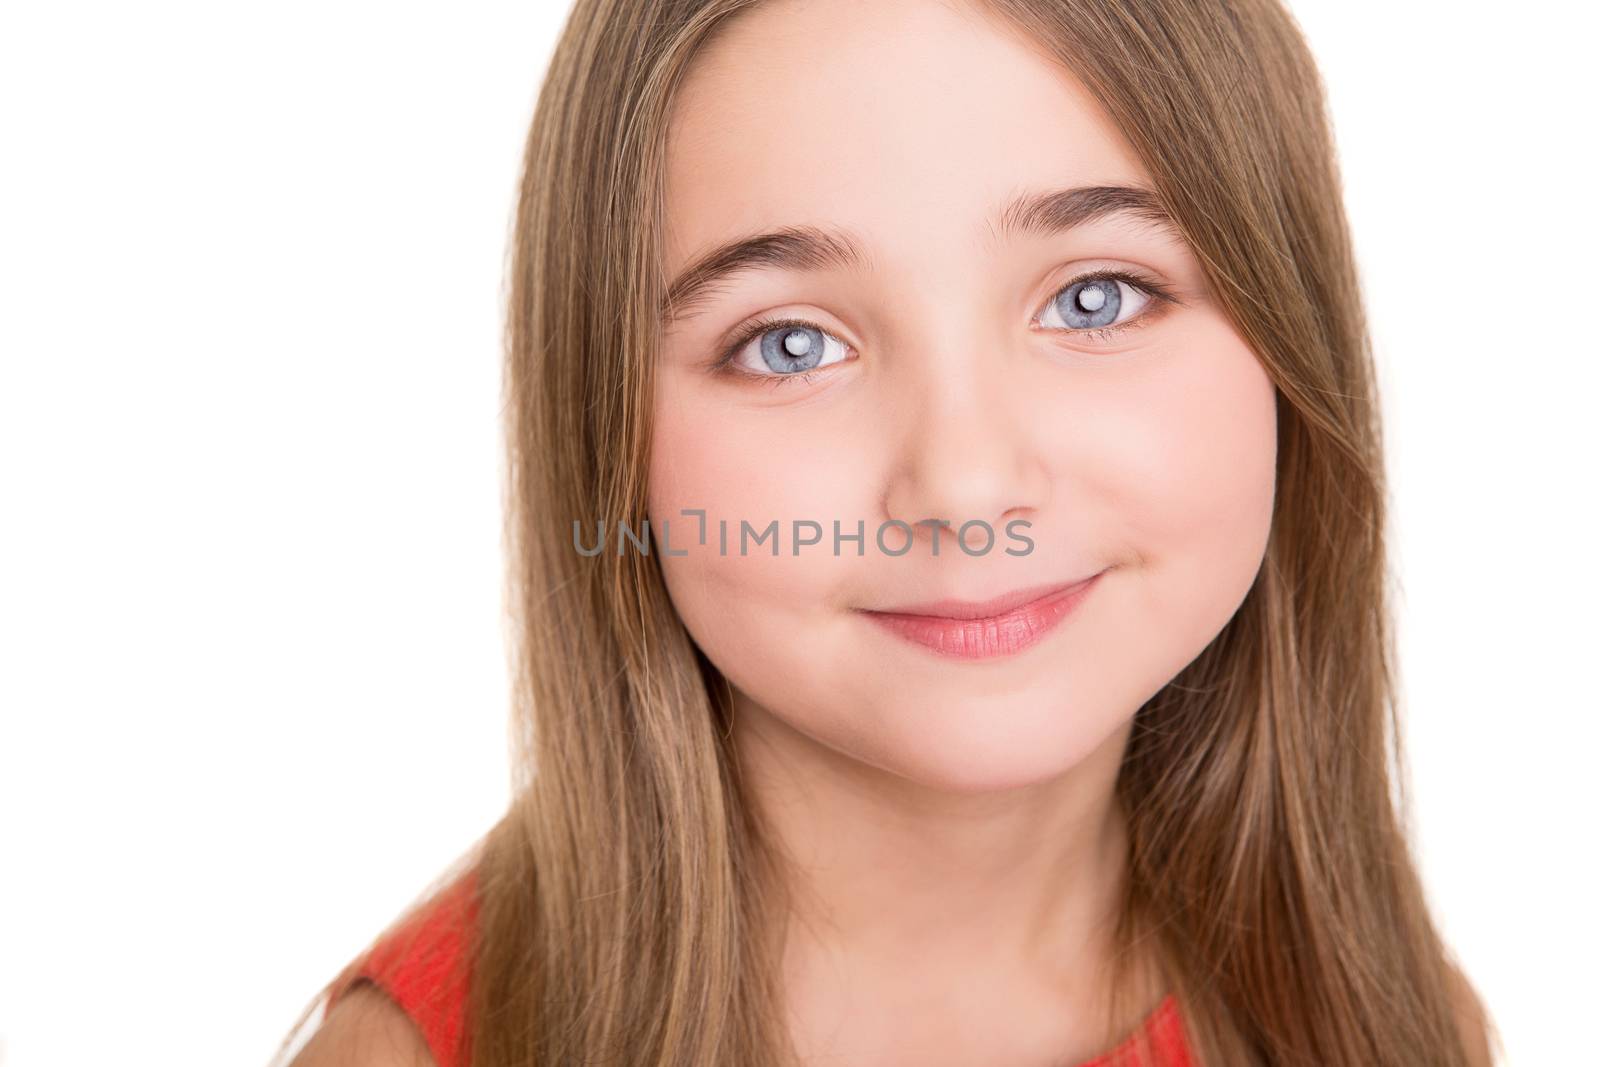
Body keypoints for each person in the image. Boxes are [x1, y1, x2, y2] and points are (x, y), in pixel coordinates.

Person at [278, 0, 1498, 1063]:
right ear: (604, 427)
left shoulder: (1382, 1019)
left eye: (1095, 297)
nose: (965, 489)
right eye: (789, 342)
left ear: (1294, 348)